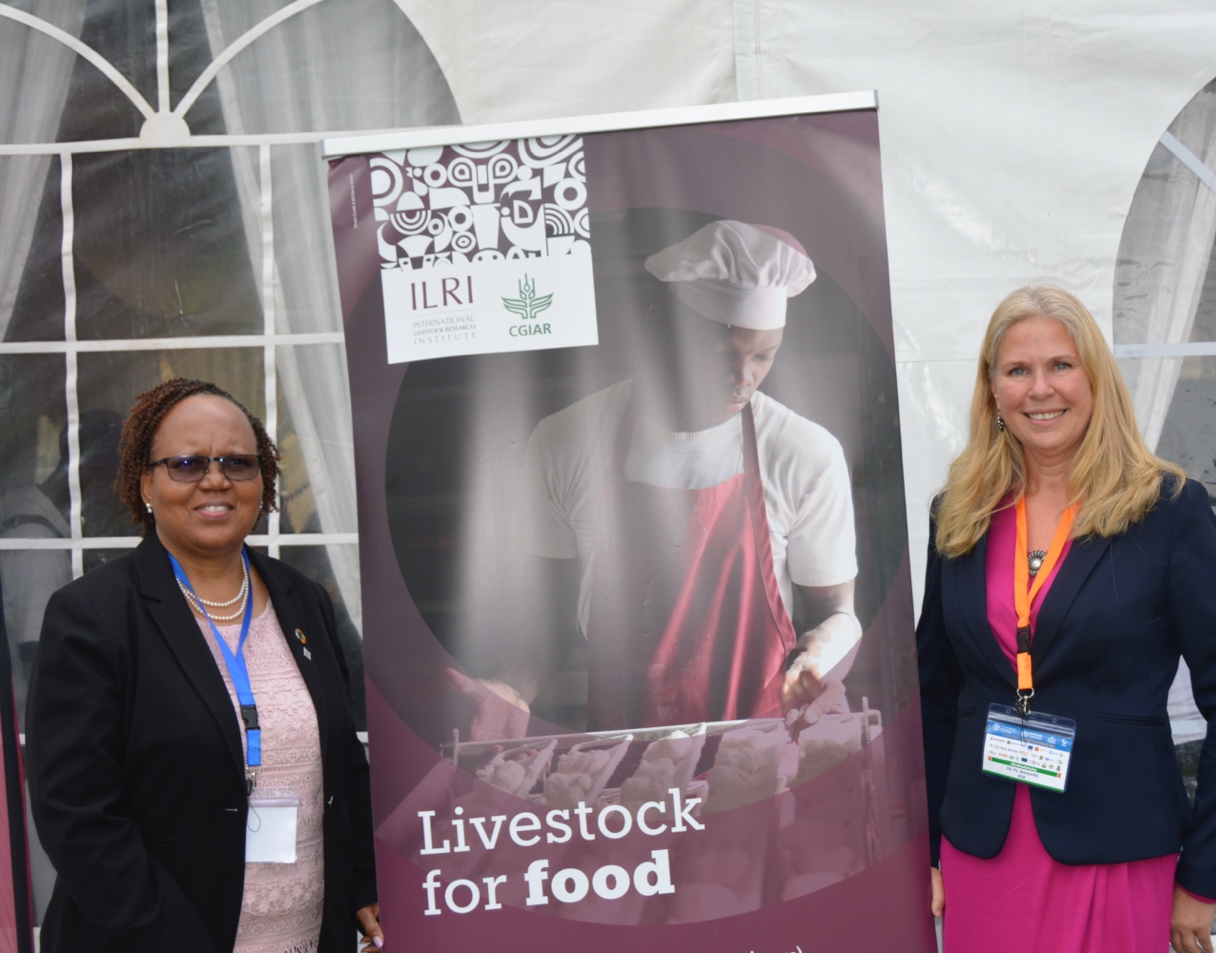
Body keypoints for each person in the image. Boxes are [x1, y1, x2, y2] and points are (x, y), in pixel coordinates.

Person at [918, 286, 1216, 953]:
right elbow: (934, 691)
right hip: (981, 852)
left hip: (1116, 852)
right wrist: (927, 849)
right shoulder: (956, 513)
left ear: (1095, 378)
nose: (1039, 388)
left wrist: (1204, 875)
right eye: (1017, 370)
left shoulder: (1167, 510)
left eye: (1061, 365)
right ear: (992, 390)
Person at [447, 218, 862, 735]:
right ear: (659, 329)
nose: (744, 378)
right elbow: (551, 619)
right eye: (723, 355)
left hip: (763, 751)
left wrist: (819, 656)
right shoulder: (565, 442)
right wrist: (512, 687)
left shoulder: (805, 453)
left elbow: (837, 610)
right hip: (623, 758)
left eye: (763, 356)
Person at [26, 379, 383, 953]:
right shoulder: (92, 617)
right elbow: (77, 816)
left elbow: (344, 759)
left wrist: (364, 879)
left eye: (238, 463)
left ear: (263, 480)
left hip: (304, 934)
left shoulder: (303, 599)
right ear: (146, 483)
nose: (215, 479)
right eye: (187, 463)